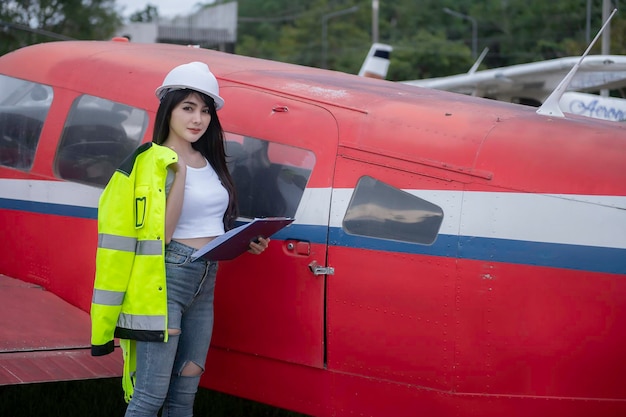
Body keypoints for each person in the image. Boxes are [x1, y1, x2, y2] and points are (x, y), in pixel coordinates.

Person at [90, 61, 270, 417]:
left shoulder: (210, 159)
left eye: (204, 110)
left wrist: (242, 240)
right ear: (168, 109)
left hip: (206, 281)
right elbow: (165, 233)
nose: (197, 119)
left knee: (184, 394)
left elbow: (211, 221)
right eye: (188, 108)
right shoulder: (151, 162)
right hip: (168, 279)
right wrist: (178, 173)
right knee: (150, 396)